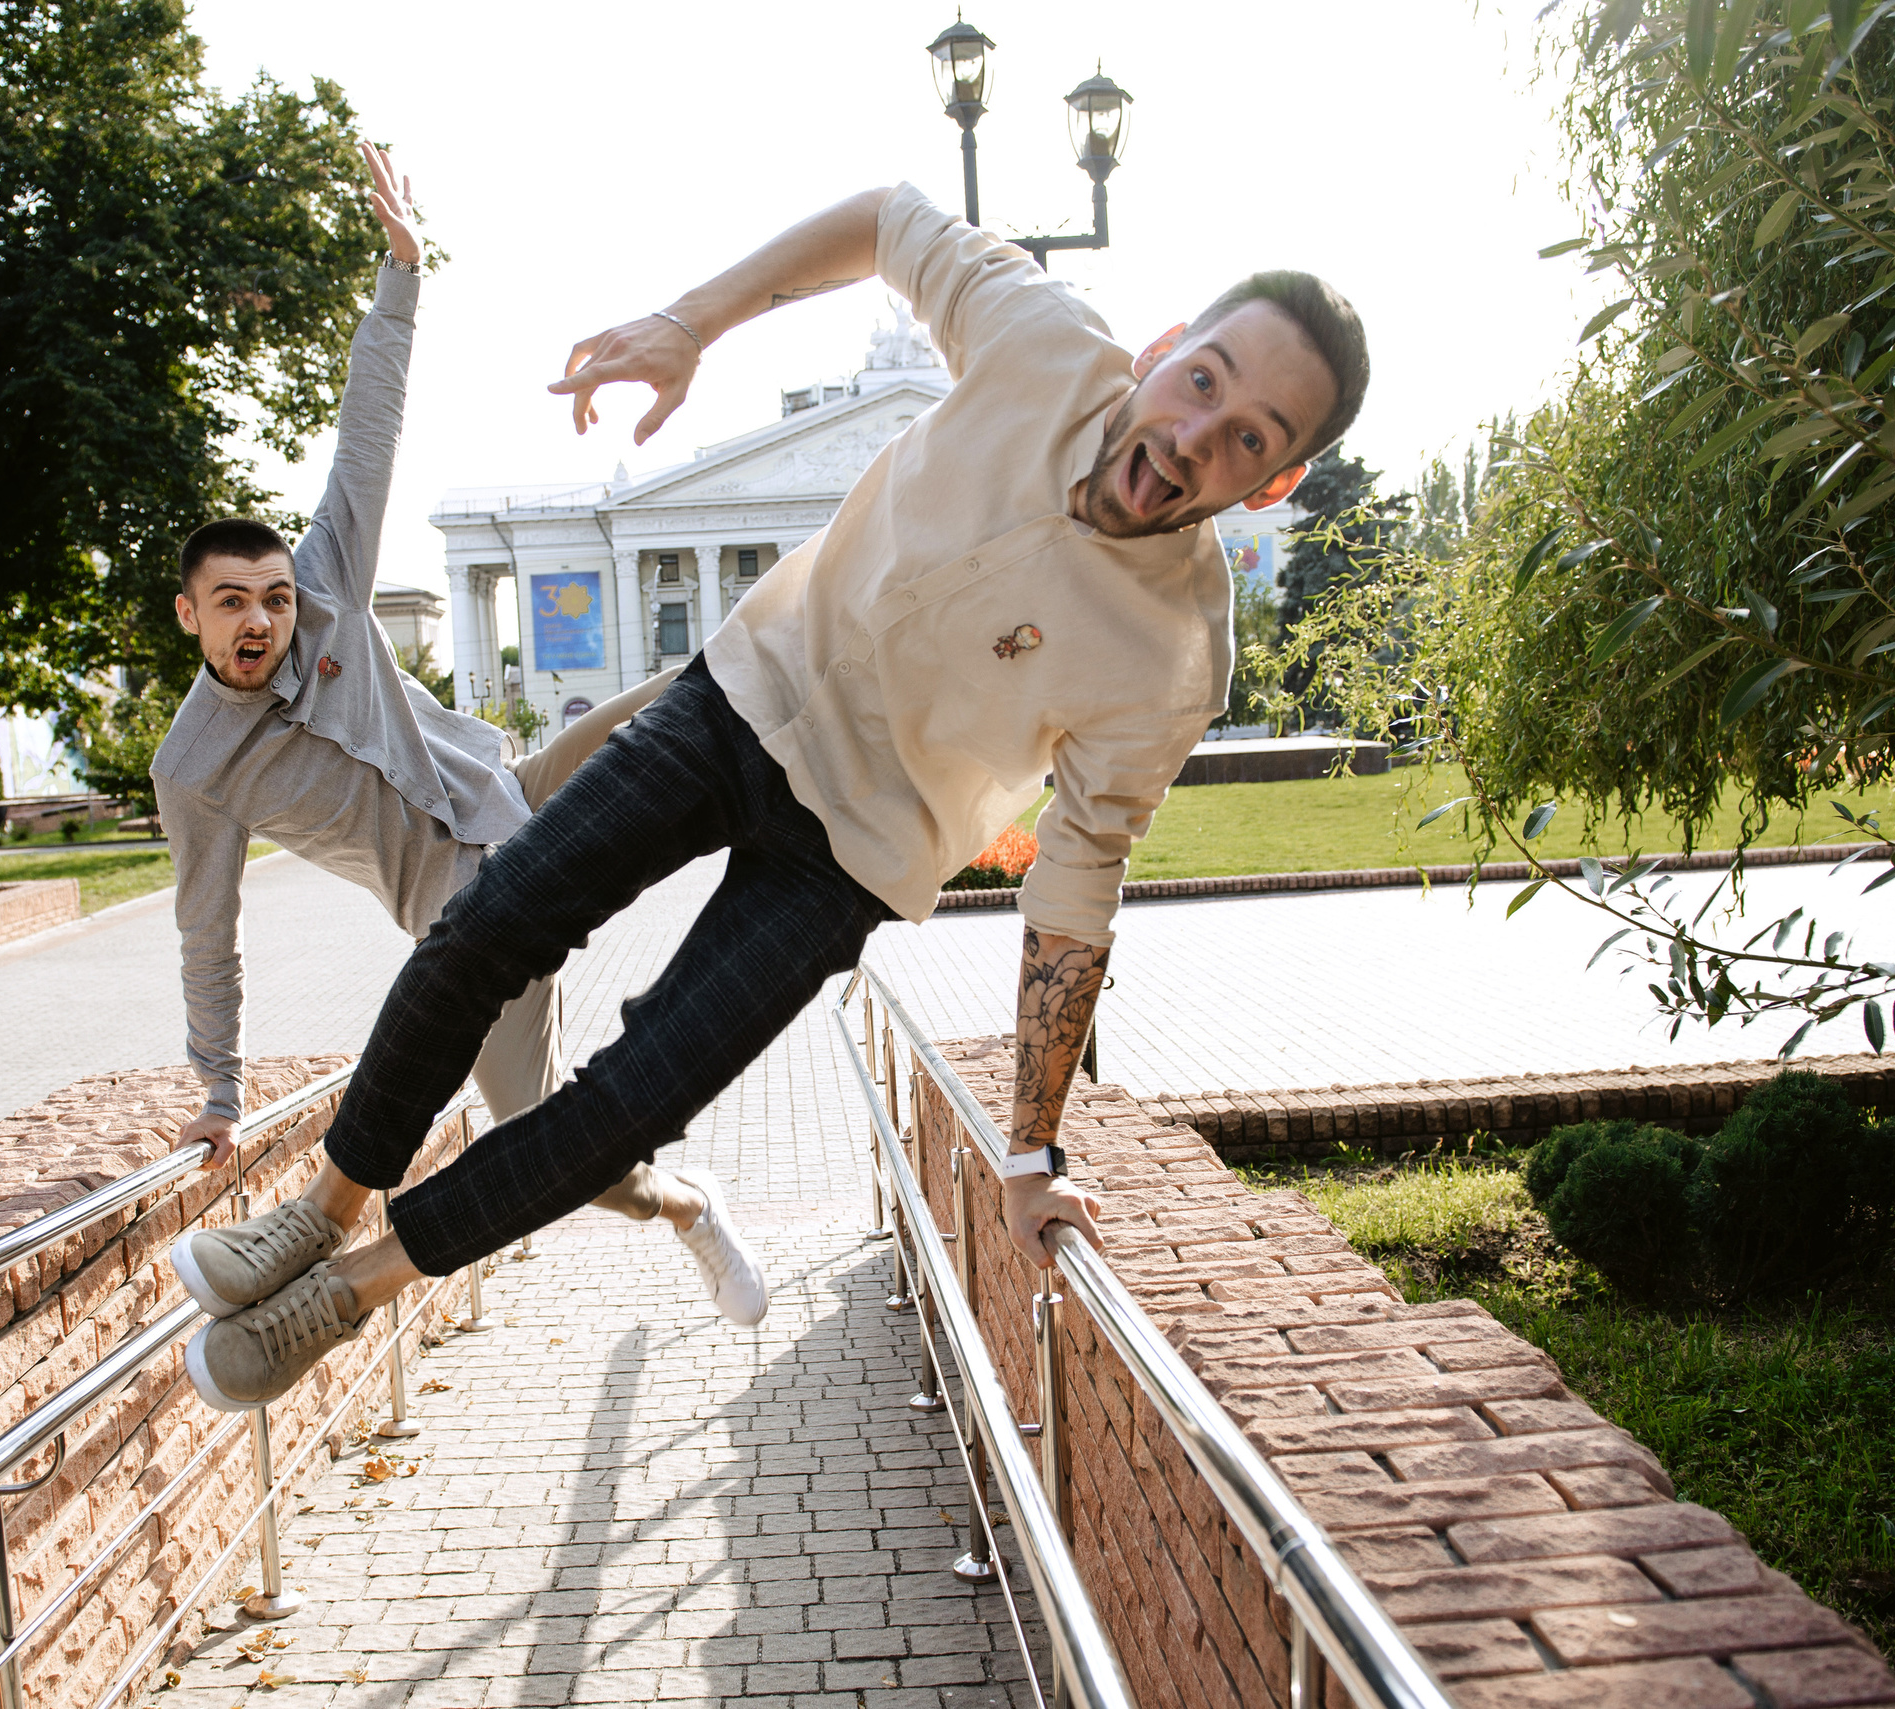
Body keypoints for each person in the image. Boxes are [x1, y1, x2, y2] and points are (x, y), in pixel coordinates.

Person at [174, 180, 1369, 1409]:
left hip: (852, 851)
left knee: (632, 1100)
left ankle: (345, 1293)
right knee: (485, 925)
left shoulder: (1172, 654)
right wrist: (693, 321)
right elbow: (890, 220)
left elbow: (1077, 886)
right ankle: (320, 1210)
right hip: (741, 698)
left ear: (1271, 486)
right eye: (1206, 384)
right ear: (1166, 349)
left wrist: (1030, 1147)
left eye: (1251, 441)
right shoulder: (1044, 341)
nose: (1195, 439)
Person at [156, 145, 742, 1413]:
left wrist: (401, 270)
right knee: (561, 1154)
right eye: (232, 606)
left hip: (518, 791)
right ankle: (680, 1200)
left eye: (273, 596)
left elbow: (365, 435)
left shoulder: (330, 589)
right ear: (192, 617)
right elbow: (209, 930)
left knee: (712, 682)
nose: (263, 621)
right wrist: (214, 1092)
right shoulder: (193, 767)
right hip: (467, 924)